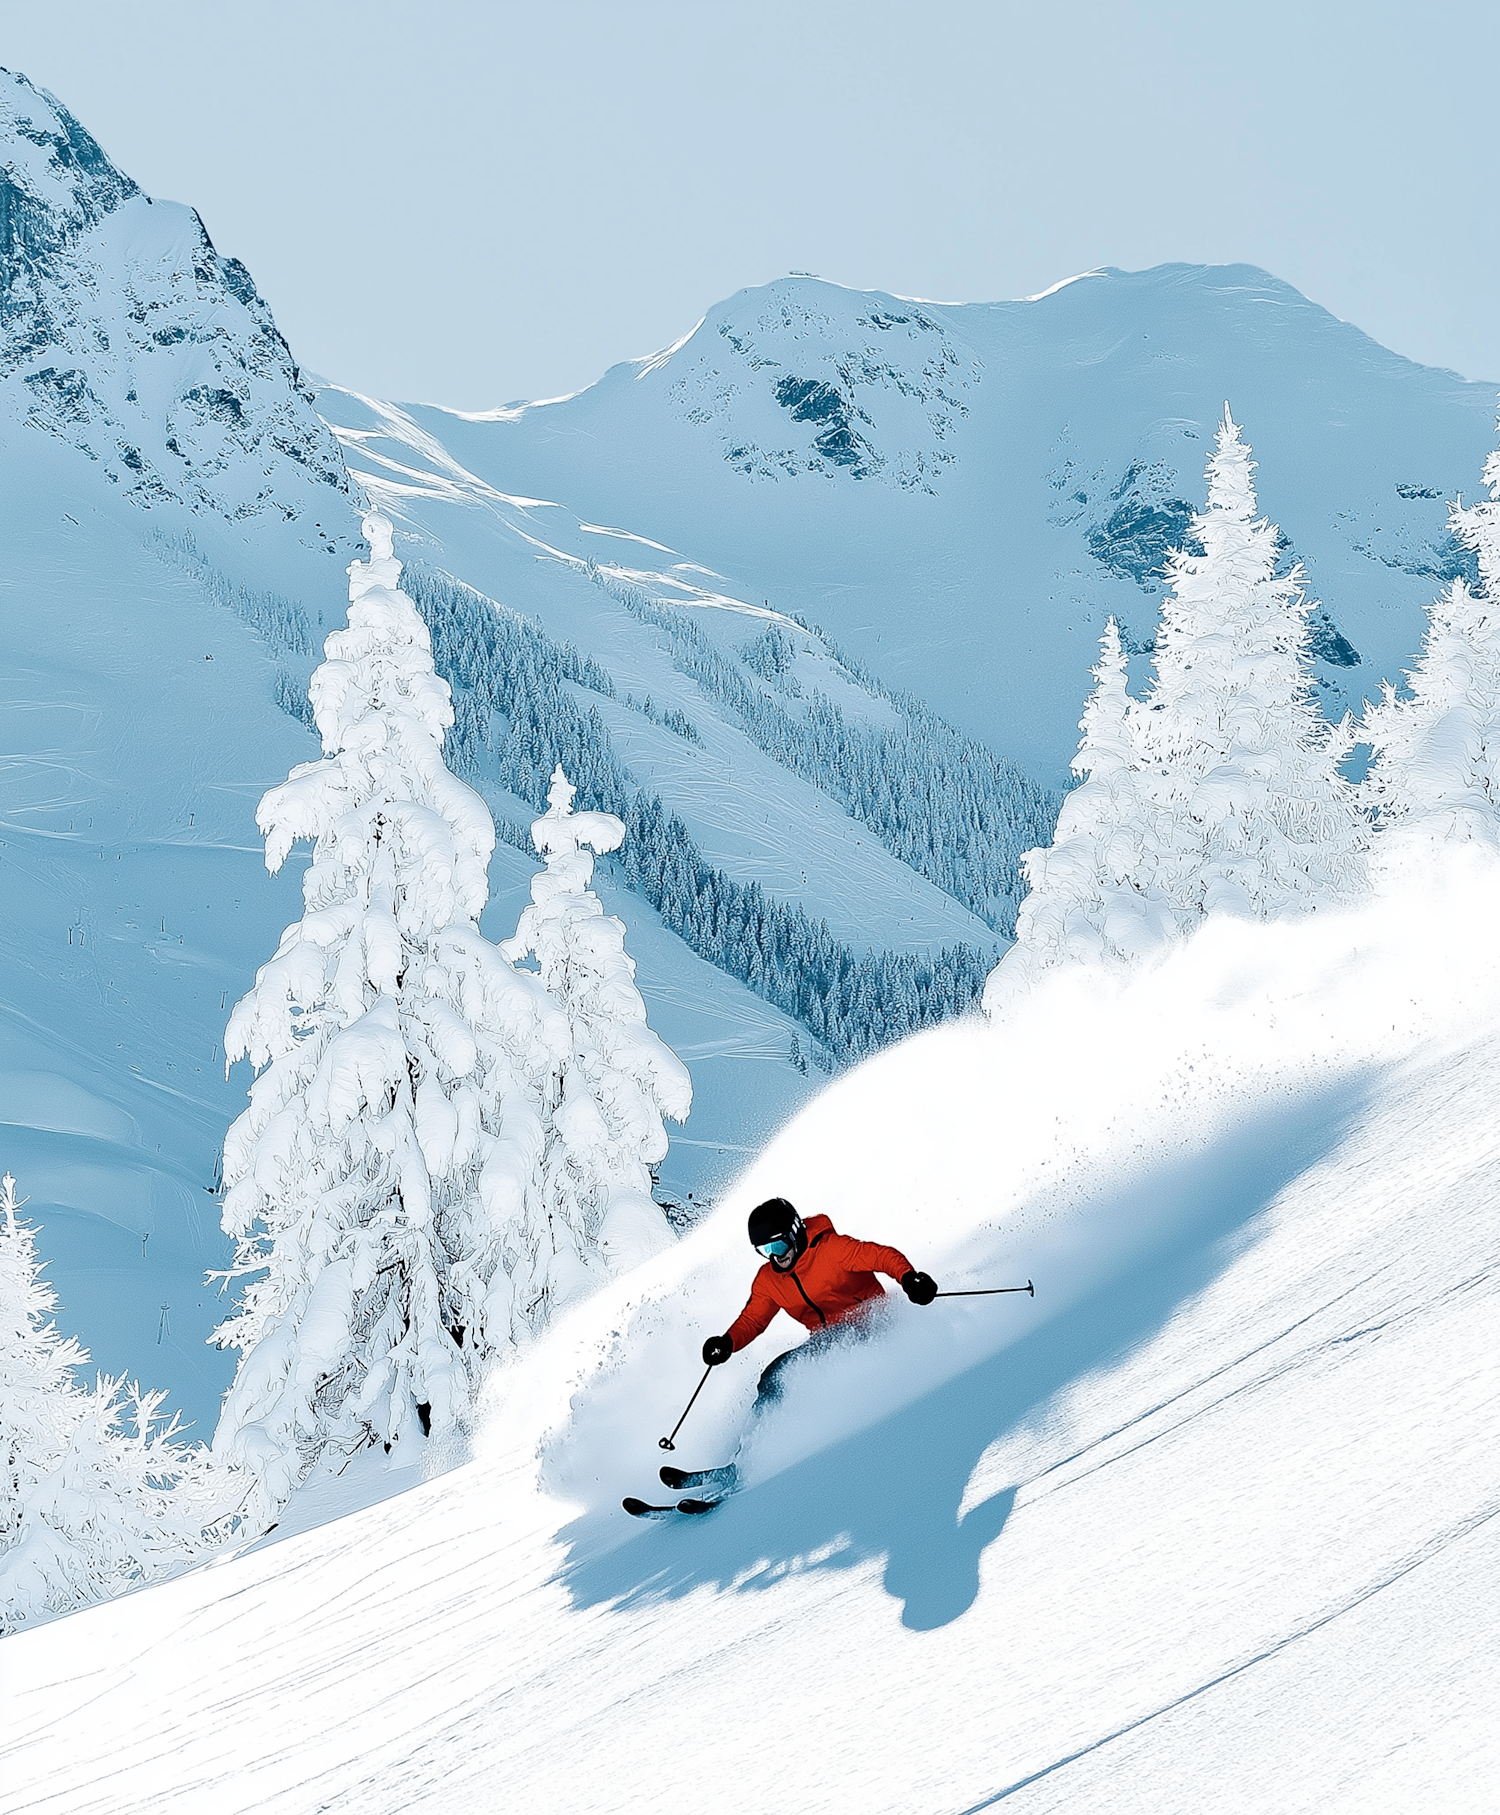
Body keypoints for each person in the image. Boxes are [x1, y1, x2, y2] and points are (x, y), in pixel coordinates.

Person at [702, 1196, 938, 1407]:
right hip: (828, 1342)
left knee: (796, 1369)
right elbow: (753, 1319)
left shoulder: (832, 1250)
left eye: (779, 1244)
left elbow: (881, 1256)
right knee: (774, 1377)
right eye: (765, 1250)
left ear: (794, 1233)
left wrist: (909, 1278)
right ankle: (759, 1442)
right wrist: (727, 1343)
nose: (776, 1255)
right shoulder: (768, 1280)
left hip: (874, 1325)